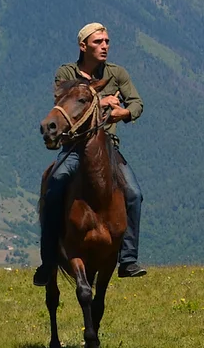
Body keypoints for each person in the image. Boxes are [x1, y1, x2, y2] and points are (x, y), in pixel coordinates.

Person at [35, 22, 147, 285]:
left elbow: (137, 103)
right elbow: (65, 98)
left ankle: (128, 259)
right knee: (53, 189)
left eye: (107, 41)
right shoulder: (66, 72)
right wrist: (101, 100)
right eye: (98, 42)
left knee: (134, 193)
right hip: (73, 147)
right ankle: (48, 260)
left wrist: (123, 112)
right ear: (83, 46)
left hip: (107, 147)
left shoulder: (117, 73)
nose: (105, 46)